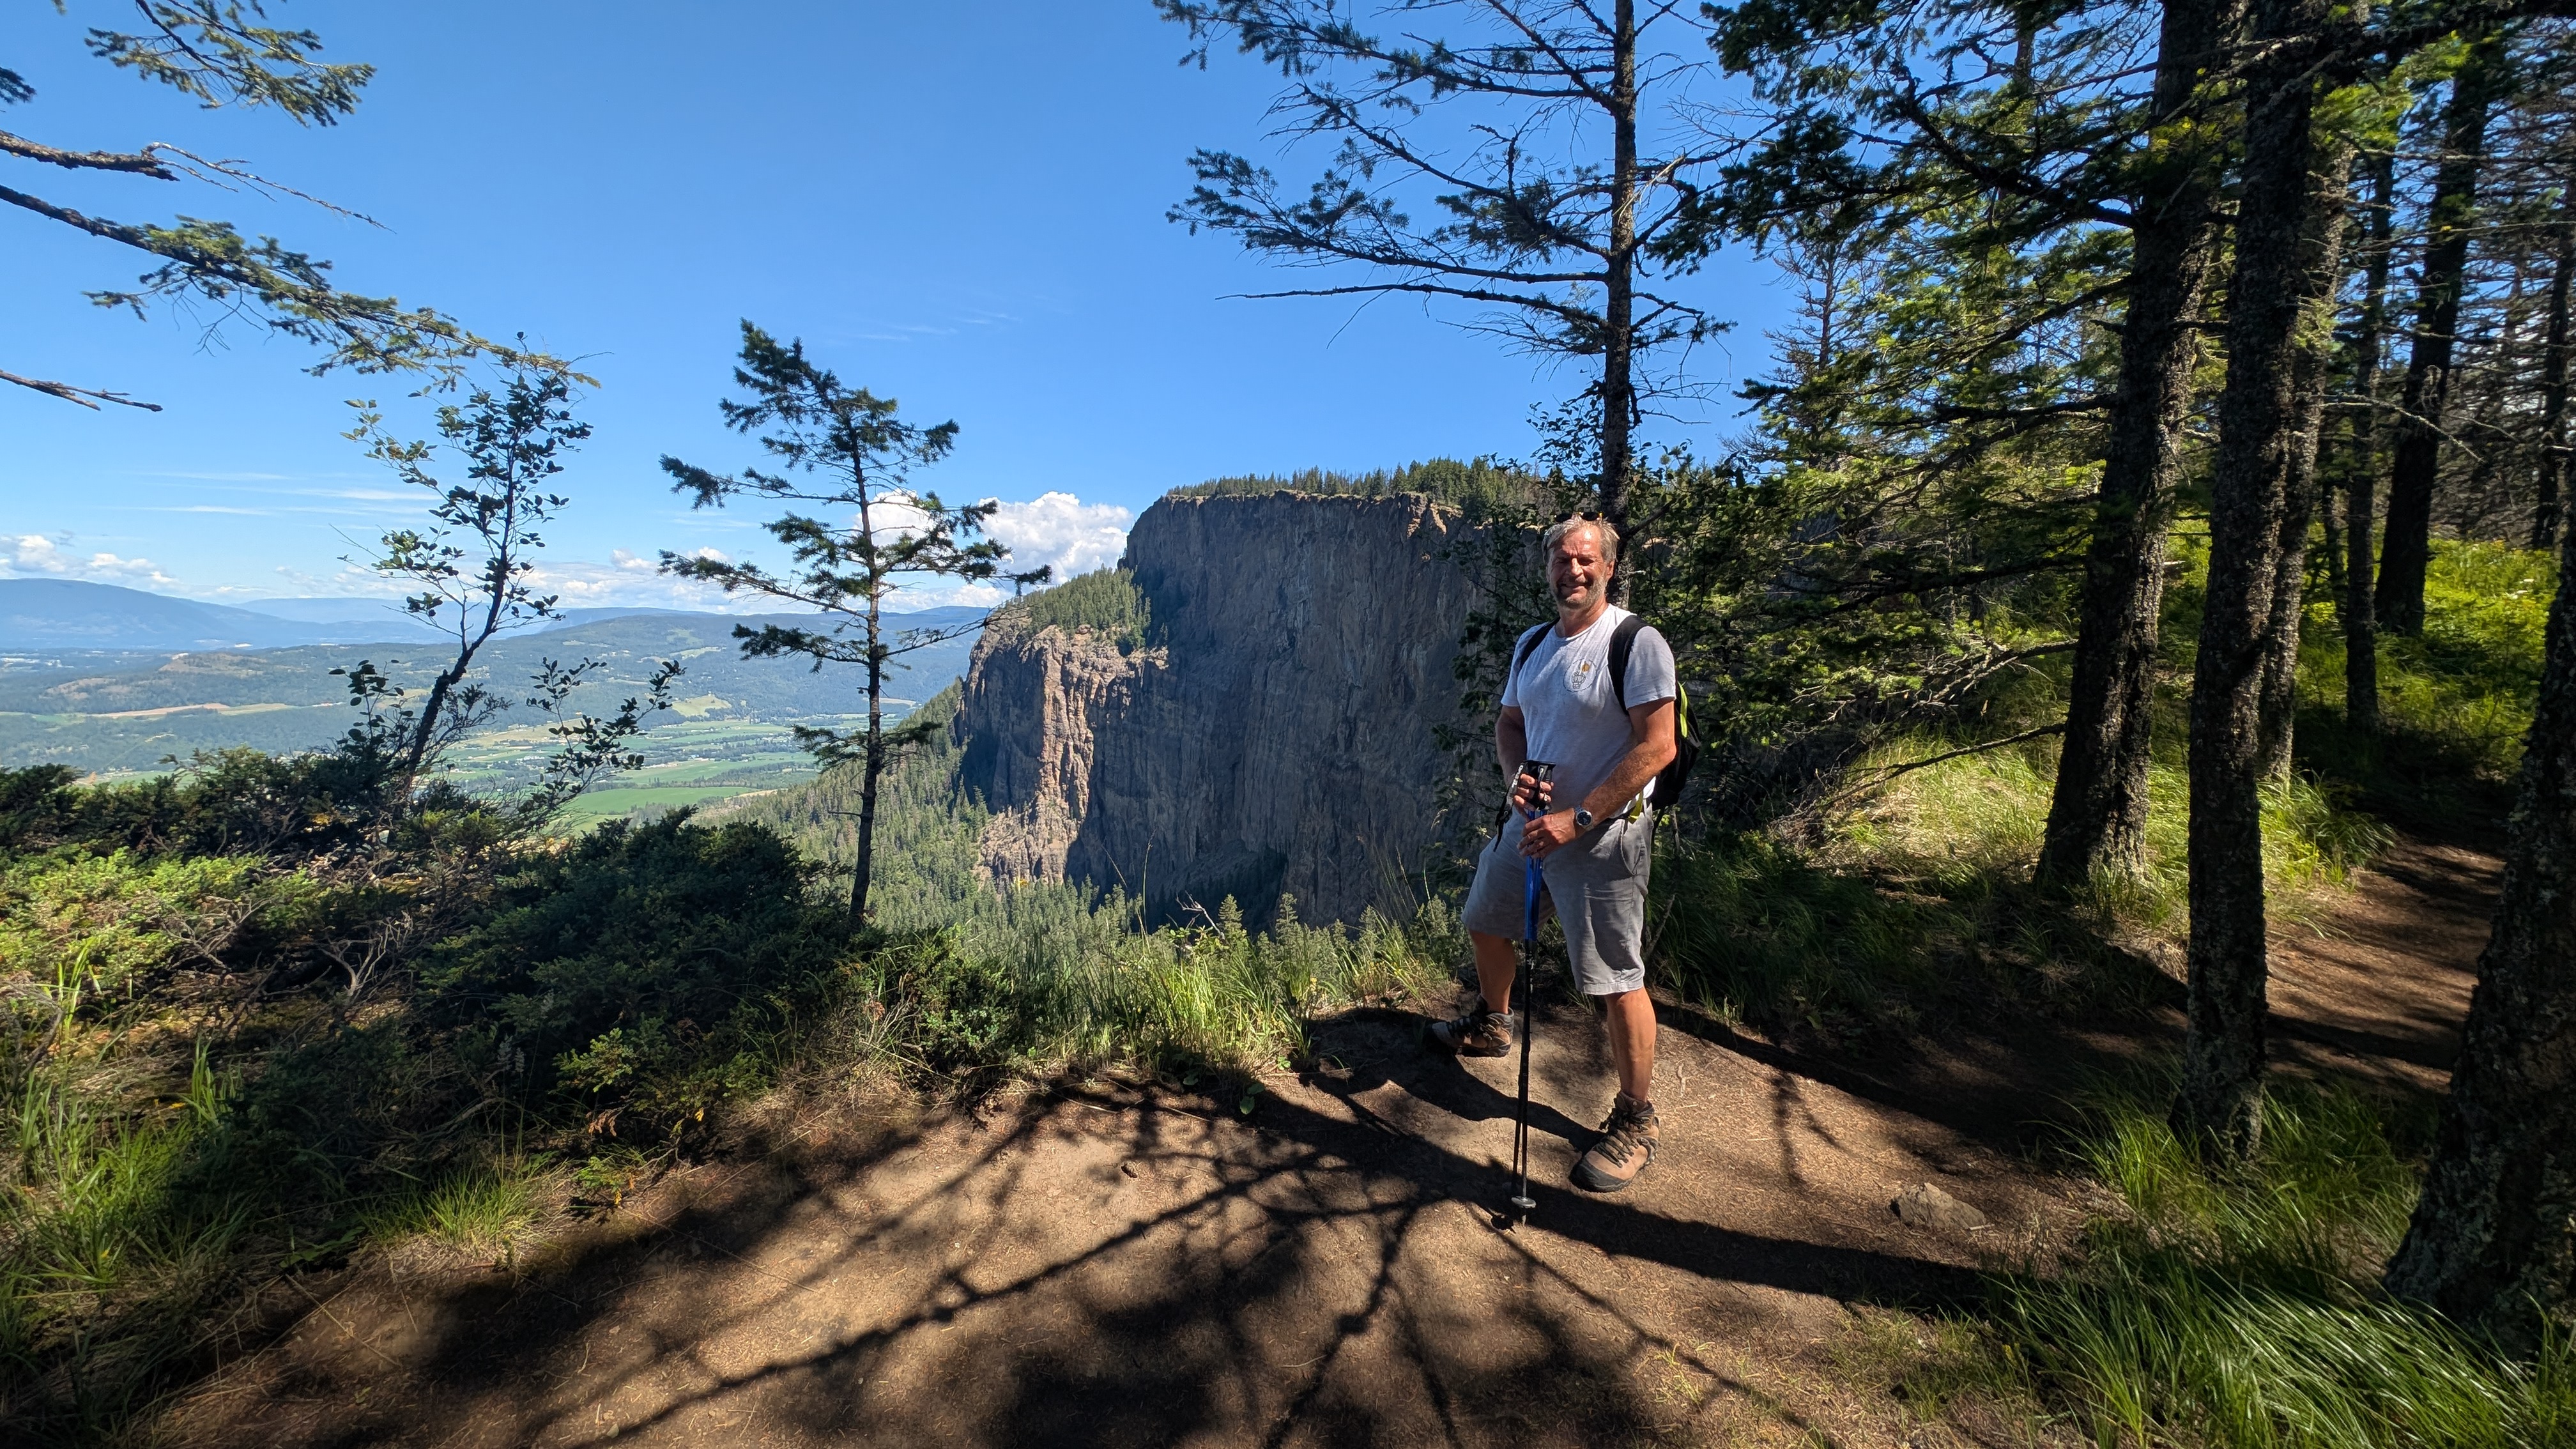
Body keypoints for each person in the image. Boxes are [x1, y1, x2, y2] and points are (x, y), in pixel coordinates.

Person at [1427, 513, 1677, 1192]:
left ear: (1609, 567)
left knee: (1615, 978)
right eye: (1563, 560)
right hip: (1530, 827)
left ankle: (1637, 1118)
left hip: (1603, 841)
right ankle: (1493, 1023)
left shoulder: (1636, 642)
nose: (1574, 570)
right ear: (1548, 568)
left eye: (1587, 560)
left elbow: (1658, 746)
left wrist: (1581, 817)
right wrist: (1516, 779)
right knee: (1485, 919)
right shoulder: (1533, 644)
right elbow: (1511, 724)